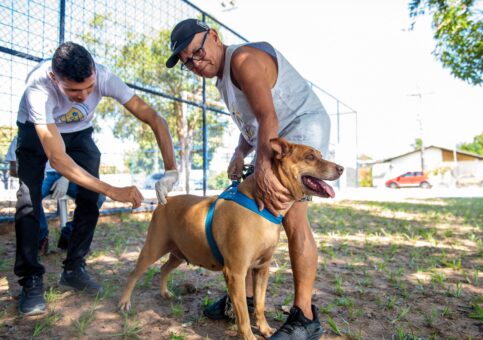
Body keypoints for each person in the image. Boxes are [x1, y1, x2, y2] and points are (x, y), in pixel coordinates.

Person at [165, 19, 331, 339]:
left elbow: (268, 116)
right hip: (273, 136)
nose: (196, 63)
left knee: (292, 217)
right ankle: (243, 296)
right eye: (187, 62)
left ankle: (305, 318)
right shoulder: (221, 78)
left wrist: (264, 168)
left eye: (197, 52)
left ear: (213, 36)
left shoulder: (242, 60)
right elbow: (254, 123)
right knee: (249, 210)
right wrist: (240, 152)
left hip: (299, 129)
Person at [15, 41, 179, 316]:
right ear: (55, 78)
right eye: (74, 90)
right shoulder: (38, 89)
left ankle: (74, 268)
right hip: (36, 131)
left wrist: (171, 169)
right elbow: (57, 158)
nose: (84, 95)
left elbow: (153, 117)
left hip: (80, 133)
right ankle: (31, 279)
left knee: (92, 196)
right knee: (28, 202)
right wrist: (113, 189)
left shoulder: (104, 77)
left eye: (89, 88)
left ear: (94, 73)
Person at [6, 137, 105, 255]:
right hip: (41, 175)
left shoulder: (60, 133)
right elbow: (13, 170)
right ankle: (41, 238)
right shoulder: (20, 138)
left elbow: (77, 161)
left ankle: (68, 235)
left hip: (66, 174)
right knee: (30, 198)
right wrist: (33, 173)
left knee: (98, 197)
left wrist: (66, 178)